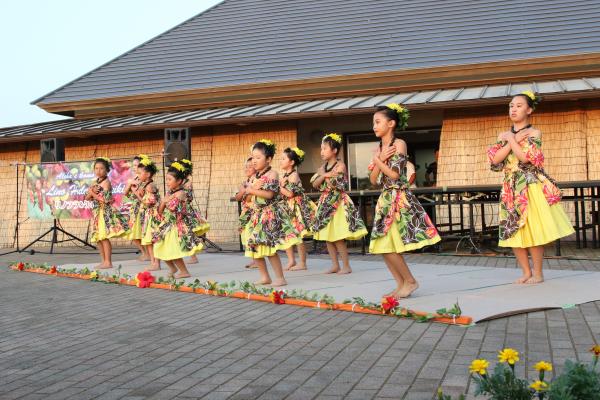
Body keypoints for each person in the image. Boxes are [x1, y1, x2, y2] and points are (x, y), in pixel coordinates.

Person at [487, 91, 574, 284]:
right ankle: (525, 272)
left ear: (529, 109)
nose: (514, 109)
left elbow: (526, 158)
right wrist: (512, 139)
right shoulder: (503, 134)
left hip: (529, 185)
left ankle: (538, 273)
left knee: (533, 228)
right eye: (511, 105)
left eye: (518, 105)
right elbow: (495, 160)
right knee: (513, 229)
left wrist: (510, 140)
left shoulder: (534, 133)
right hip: (510, 187)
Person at [368, 104, 441, 298]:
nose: (374, 126)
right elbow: (373, 180)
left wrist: (378, 161)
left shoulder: (399, 143)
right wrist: (379, 159)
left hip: (398, 199)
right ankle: (400, 284)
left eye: (377, 122)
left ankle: (410, 281)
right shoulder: (379, 148)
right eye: (373, 122)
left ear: (391, 123)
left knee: (389, 244)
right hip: (384, 199)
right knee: (383, 246)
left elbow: (394, 174)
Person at [243, 139, 301, 286]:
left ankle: (280, 278)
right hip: (257, 215)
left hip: (269, 215)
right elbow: (248, 197)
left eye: (258, 158)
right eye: (253, 157)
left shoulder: (273, 174)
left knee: (269, 248)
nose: (254, 161)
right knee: (255, 246)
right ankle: (265, 277)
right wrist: (251, 189)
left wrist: (252, 189)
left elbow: (269, 195)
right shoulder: (254, 177)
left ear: (268, 159)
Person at [311, 133, 368, 274]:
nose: (322, 151)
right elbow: (314, 183)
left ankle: (346, 266)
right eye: (321, 148)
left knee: (338, 236)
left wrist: (324, 176)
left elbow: (337, 185)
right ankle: (335, 265)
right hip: (325, 203)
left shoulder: (340, 165)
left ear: (334, 150)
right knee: (327, 236)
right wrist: (324, 175)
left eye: (325, 148)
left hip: (337, 203)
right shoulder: (323, 167)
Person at [152, 162, 204, 278]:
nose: (167, 182)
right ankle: (173, 268)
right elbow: (160, 210)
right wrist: (165, 201)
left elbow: (173, 209)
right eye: (167, 179)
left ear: (179, 181)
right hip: (167, 225)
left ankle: (184, 271)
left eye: (170, 179)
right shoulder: (170, 193)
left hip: (176, 226)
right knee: (159, 247)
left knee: (172, 250)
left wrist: (166, 201)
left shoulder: (181, 193)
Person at [85, 157, 129, 269]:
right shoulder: (95, 182)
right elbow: (87, 198)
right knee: (98, 238)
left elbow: (104, 199)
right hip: (96, 213)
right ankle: (103, 261)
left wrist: (92, 194)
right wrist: (90, 194)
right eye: (96, 168)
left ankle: (108, 262)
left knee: (104, 237)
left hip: (104, 213)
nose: (98, 170)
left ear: (107, 170)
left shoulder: (106, 183)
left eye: (101, 168)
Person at [279, 146, 316, 271]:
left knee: (298, 235)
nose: (281, 161)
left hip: (296, 208)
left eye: (284, 159)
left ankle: (302, 263)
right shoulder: (285, 175)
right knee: (287, 234)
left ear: (292, 162)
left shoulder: (294, 175)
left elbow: (290, 194)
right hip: (287, 207)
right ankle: (291, 260)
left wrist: (279, 187)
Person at [180, 159, 209, 264]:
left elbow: (189, 198)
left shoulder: (187, 183)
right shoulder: (182, 181)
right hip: (182, 209)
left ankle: (193, 257)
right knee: (185, 233)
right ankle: (191, 255)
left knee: (188, 232)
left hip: (185, 210)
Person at [137, 157, 161, 271]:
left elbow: (151, 202)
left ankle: (156, 263)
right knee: (149, 241)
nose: (138, 175)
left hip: (153, 217)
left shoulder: (150, 186)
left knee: (153, 240)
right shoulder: (146, 186)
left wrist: (139, 196)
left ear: (148, 174)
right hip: (148, 216)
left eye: (140, 173)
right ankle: (153, 262)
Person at [123, 155, 147, 260]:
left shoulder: (144, 179)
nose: (135, 167)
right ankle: (144, 252)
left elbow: (143, 195)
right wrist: (130, 184)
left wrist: (134, 188)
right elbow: (125, 193)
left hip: (143, 208)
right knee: (133, 233)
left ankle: (149, 255)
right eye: (134, 165)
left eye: (137, 165)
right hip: (134, 209)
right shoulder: (133, 179)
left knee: (143, 232)